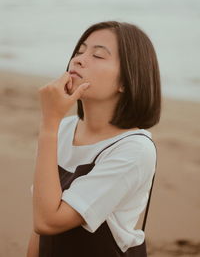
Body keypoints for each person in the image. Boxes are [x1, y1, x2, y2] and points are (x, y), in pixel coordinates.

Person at [26, 20, 161, 257]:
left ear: (126, 80)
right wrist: (53, 125)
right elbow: (38, 222)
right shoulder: (63, 128)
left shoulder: (134, 149)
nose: (78, 59)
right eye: (79, 51)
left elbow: (48, 222)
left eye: (98, 55)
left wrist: (49, 122)